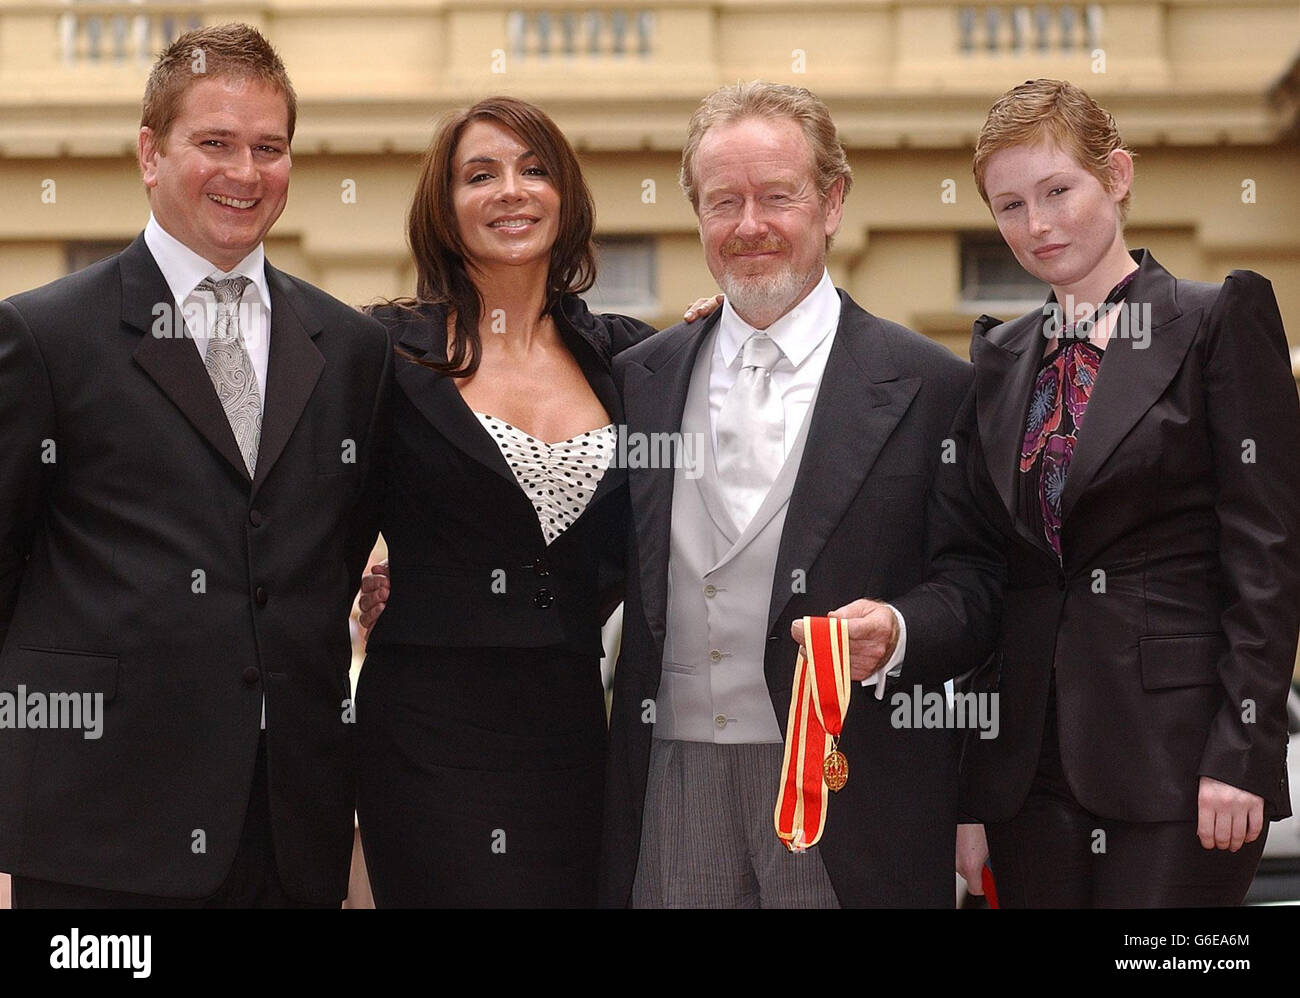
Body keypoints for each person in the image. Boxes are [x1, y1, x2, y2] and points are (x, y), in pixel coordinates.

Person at [0, 24, 391, 907]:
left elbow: (332, 551)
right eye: (214, 143)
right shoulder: (45, 335)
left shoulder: (353, 347)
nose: (245, 174)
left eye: (269, 148)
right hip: (99, 830)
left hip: (290, 830)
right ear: (150, 151)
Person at [598, 81, 1003, 908]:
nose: (749, 226)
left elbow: (981, 586)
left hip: (855, 786)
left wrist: (896, 631)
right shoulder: (641, 377)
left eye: (777, 196)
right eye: (723, 202)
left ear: (832, 202)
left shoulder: (933, 385)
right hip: (670, 782)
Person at [954, 78, 1300, 907]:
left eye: (1056, 191)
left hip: (1181, 767)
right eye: (1008, 206)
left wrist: (1242, 752)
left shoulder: (1218, 318)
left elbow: (1269, 558)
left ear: (1117, 176)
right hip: (1025, 777)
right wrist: (970, 796)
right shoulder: (998, 357)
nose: (1035, 226)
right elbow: (988, 576)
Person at [353, 97, 655, 907]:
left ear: (566, 196)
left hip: (571, 726)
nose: (511, 192)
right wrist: (349, 589)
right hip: (427, 730)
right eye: (479, 175)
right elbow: (307, 505)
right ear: (444, 209)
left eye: (534, 170)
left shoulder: (630, 357)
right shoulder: (381, 350)